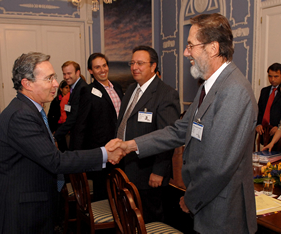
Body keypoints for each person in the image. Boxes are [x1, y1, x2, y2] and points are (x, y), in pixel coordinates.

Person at [109, 13, 258, 234]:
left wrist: (191, 199)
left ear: (213, 48)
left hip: (223, 211)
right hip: (209, 202)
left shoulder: (234, 91)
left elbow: (219, 166)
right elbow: (179, 129)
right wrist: (130, 145)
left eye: (191, 45)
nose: (186, 52)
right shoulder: (209, 85)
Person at [0, 52, 124, 233]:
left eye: (54, 77)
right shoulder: (21, 115)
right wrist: (104, 153)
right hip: (20, 214)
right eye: (49, 78)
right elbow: (55, 161)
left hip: (32, 206)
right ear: (27, 84)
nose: (56, 84)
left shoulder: (29, 109)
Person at [116, 45, 180, 223]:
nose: (134, 67)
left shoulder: (166, 94)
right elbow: (124, 123)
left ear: (153, 66)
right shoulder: (131, 90)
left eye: (140, 63)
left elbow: (168, 137)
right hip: (127, 166)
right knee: (130, 218)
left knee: (150, 220)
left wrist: (159, 171)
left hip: (148, 172)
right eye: (132, 62)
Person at [71, 53, 123, 201]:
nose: (102, 70)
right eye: (97, 67)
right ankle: (103, 223)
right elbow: (81, 124)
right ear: (90, 71)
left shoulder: (117, 87)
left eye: (104, 65)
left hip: (120, 149)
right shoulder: (87, 91)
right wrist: (78, 155)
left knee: (119, 192)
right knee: (104, 195)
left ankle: (119, 222)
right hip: (101, 152)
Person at [54, 61, 87, 151]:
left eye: (69, 73)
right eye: (64, 74)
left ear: (78, 72)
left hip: (81, 138)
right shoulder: (75, 88)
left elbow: (74, 116)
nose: (66, 77)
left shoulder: (82, 89)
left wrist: (56, 136)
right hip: (75, 134)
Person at [256, 63, 281, 141]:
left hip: (279, 134)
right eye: (270, 76)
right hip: (264, 132)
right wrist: (258, 124)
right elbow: (260, 110)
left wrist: (279, 127)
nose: (272, 79)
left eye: (276, 76)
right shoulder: (264, 91)